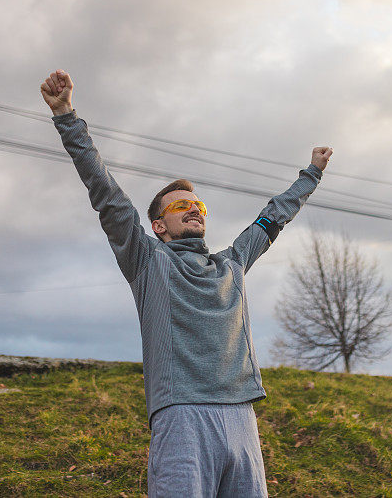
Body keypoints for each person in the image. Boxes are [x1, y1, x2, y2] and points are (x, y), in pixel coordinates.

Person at [41, 69, 332, 497]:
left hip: (241, 418)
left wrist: (312, 173)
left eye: (198, 204)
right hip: (182, 416)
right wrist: (66, 115)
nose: (193, 208)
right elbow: (105, 191)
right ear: (158, 224)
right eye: (180, 205)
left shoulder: (231, 264)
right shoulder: (148, 261)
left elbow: (274, 216)